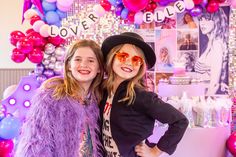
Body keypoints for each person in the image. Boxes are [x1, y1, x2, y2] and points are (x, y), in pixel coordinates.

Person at [100, 32, 189, 157]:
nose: (129, 63)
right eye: (123, 56)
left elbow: (180, 121)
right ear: (112, 58)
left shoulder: (141, 96)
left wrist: (155, 151)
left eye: (136, 60)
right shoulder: (103, 90)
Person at [15, 39, 104, 157]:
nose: (84, 65)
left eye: (91, 60)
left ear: (99, 68)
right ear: (68, 66)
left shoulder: (96, 101)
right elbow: (36, 142)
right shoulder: (52, 96)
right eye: (78, 59)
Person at [195, 7, 229, 95]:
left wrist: (205, 103)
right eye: (200, 19)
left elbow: (214, 84)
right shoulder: (210, 42)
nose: (202, 23)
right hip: (202, 94)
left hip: (210, 97)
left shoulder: (217, 44)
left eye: (207, 19)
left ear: (217, 21)